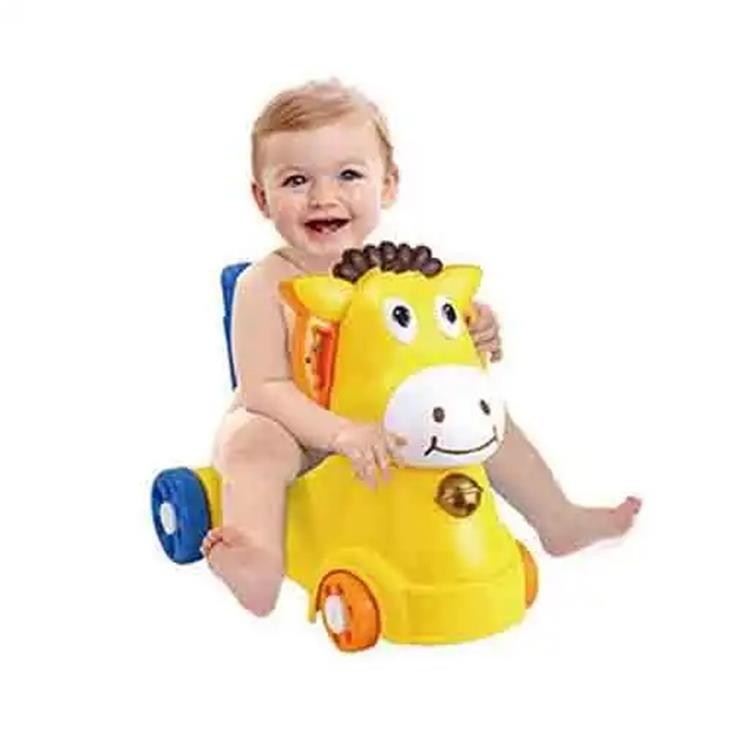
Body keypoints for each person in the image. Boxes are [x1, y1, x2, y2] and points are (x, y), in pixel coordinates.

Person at [201, 79, 641, 616]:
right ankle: (259, 562)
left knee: (479, 418)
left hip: (376, 416)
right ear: (261, 198)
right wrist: (338, 432)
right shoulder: (263, 284)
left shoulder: (398, 275)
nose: (323, 197)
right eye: (296, 180)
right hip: (291, 425)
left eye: (348, 175)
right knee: (254, 447)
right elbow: (264, 389)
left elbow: (433, 351)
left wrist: (478, 333)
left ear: (388, 185)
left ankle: (558, 519)